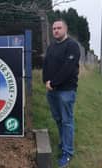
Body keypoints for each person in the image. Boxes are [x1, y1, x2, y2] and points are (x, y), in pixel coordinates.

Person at [42, 19, 80, 168]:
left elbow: (68, 68)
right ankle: (63, 143)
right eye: (54, 29)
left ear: (65, 29)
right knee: (58, 119)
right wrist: (46, 81)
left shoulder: (72, 46)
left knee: (67, 121)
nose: (56, 31)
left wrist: (54, 83)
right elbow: (46, 65)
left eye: (59, 28)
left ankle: (68, 152)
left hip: (66, 91)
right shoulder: (52, 47)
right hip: (52, 91)